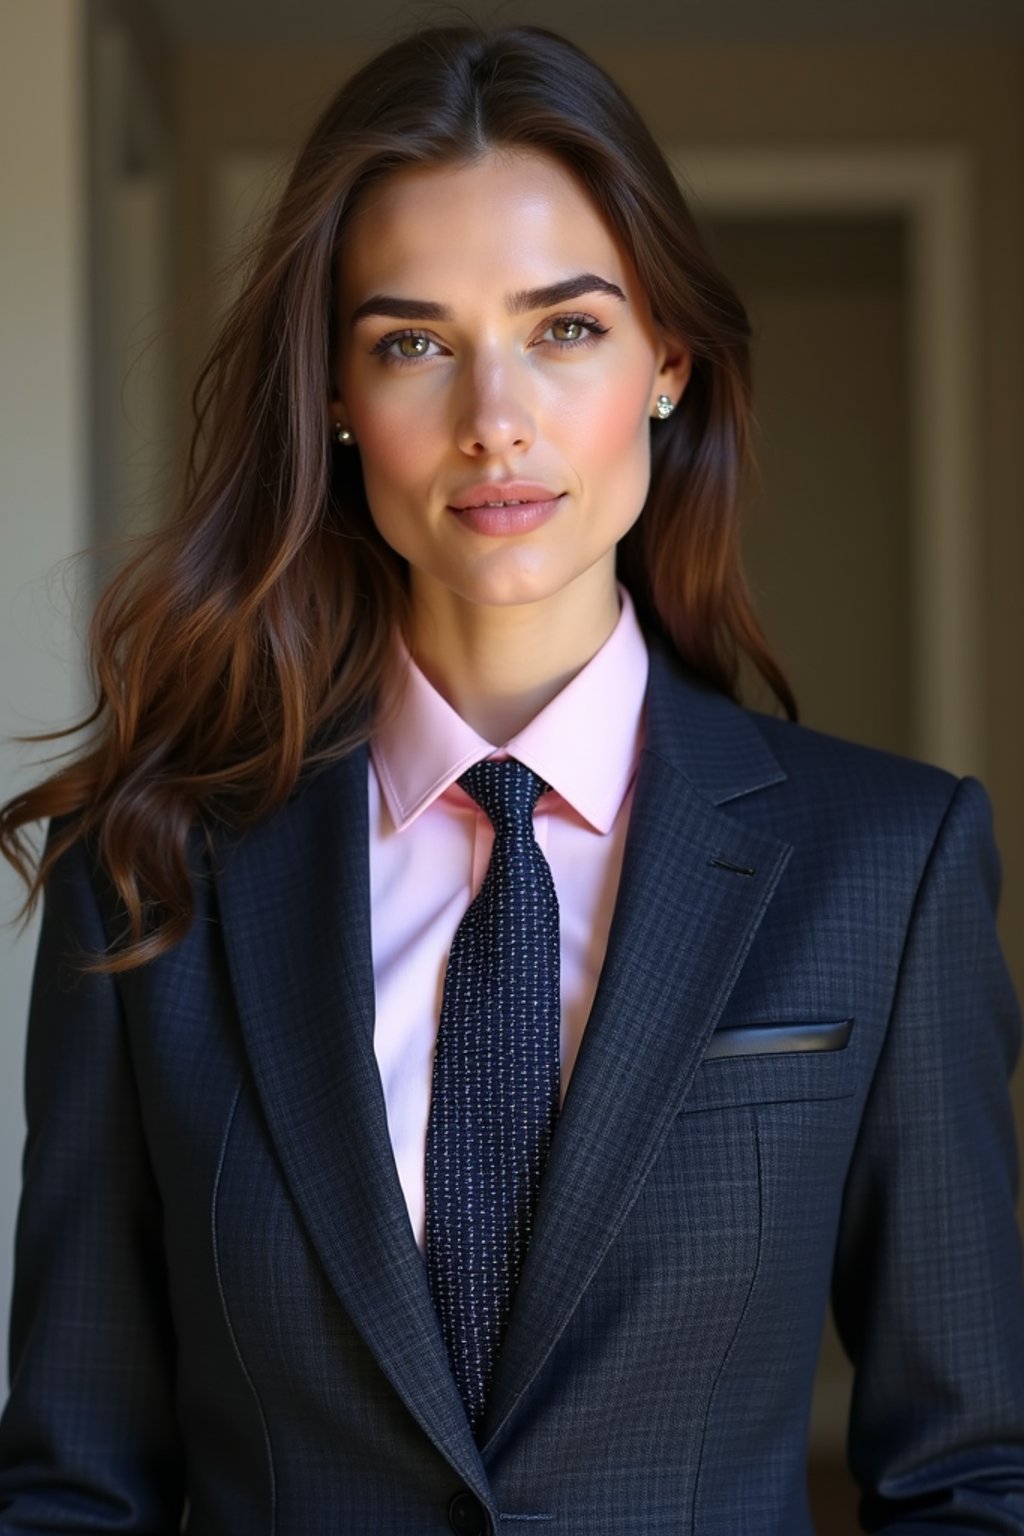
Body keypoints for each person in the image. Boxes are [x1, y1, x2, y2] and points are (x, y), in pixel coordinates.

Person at [0, 19, 1022, 1536]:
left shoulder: (889, 861)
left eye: (566, 328)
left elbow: (970, 1477)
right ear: (337, 399)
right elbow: (73, 1492)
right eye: (412, 342)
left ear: (667, 362)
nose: (495, 419)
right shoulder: (150, 872)